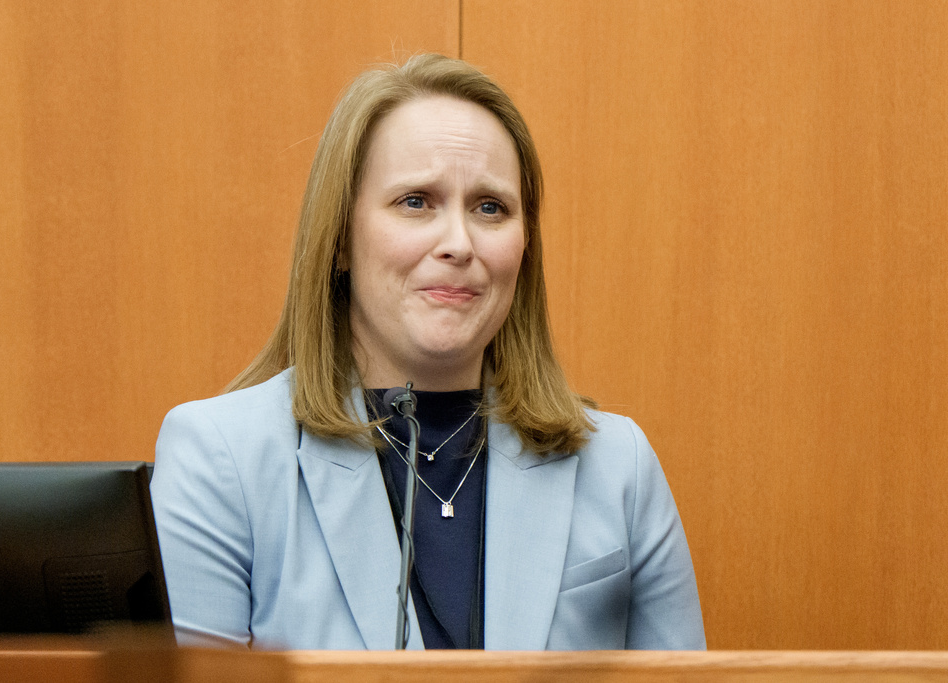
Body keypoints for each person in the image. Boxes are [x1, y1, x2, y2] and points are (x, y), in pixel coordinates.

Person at [150, 54, 705, 650]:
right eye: (416, 201)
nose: (459, 243)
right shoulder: (220, 459)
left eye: (490, 207)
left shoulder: (618, 466)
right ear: (340, 238)